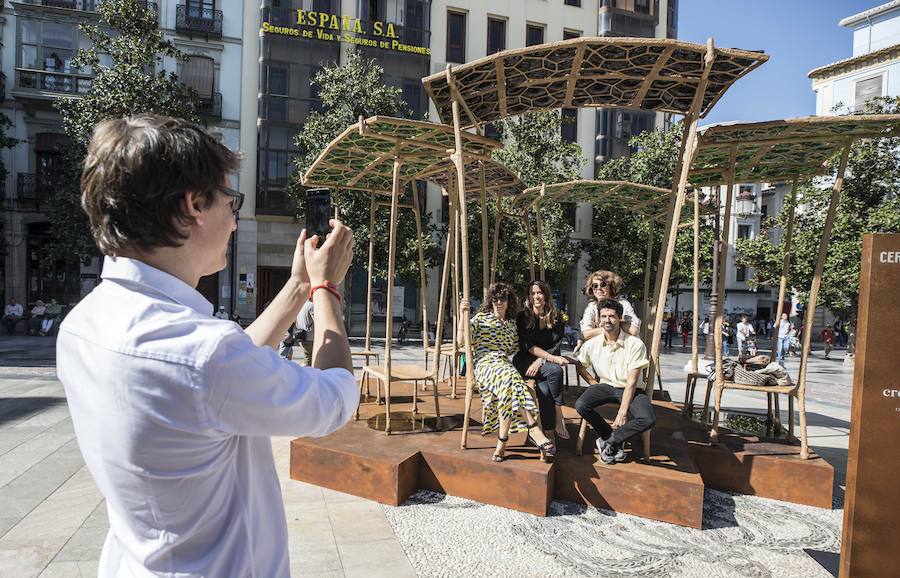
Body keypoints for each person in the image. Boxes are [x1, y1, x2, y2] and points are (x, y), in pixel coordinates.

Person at [56, 114, 358, 577]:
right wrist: (327, 290)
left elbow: (227, 371)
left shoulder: (82, 324)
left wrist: (299, 285)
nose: (235, 222)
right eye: (230, 203)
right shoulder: (203, 354)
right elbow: (334, 400)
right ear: (194, 203)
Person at [457, 283, 555, 463]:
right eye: (495, 299)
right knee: (513, 380)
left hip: (504, 365)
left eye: (503, 298)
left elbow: (518, 349)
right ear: (490, 301)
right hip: (485, 364)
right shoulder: (480, 319)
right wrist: (463, 316)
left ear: (510, 301)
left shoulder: (511, 325)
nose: (499, 302)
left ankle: (501, 444)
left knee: (510, 385)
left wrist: (540, 358)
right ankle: (533, 428)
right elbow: (461, 341)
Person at [574, 298, 655, 465]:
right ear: (598, 319)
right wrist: (592, 383)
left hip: (630, 389)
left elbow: (631, 383)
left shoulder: (635, 344)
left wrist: (622, 412)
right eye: (603, 316)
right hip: (605, 386)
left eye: (611, 316)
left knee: (648, 419)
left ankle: (612, 442)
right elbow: (580, 366)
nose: (607, 320)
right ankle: (608, 436)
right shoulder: (592, 344)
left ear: (620, 318)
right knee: (581, 405)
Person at [513, 280, 570, 441]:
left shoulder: (557, 316)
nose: (536, 296)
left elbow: (556, 344)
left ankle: (547, 428)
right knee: (556, 370)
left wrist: (540, 361)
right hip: (524, 360)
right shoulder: (523, 316)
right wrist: (545, 359)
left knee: (544, 390)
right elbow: (526, 344)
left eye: (540, 292)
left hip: (543, 362)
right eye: (532, 293)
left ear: (546, 295)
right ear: (529, 296)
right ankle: (558, 416)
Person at [580, 270, 641, 341]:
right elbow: (585, 334)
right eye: (595, 286)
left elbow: (633, 330)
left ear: (611, 286)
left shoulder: (623, 304)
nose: (598, 288)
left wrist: (601, 327)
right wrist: (615, 325)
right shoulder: (592, 306)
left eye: (603, 284)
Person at [296, 299, 315, 366]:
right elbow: (316, 319)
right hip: (309, 336)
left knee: (307, 356)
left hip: (300, 334)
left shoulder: (300, 306)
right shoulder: (311, 305)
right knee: (309, 358)